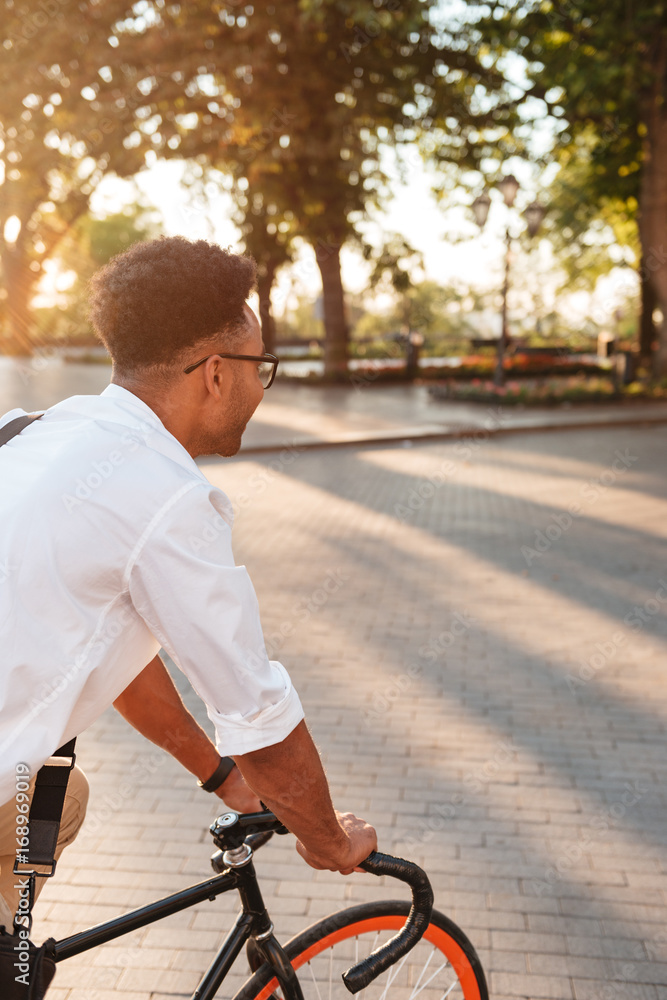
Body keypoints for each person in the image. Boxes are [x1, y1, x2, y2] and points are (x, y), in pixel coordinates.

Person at [0, 235, 376, 929]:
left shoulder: (31, 431)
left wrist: (224, 779)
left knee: (63, 799)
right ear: (216, 374)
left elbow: (107, 652)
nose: (261, 388)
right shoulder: (166, 495)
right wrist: (329, 841)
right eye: (260, 367)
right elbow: (257, 714)